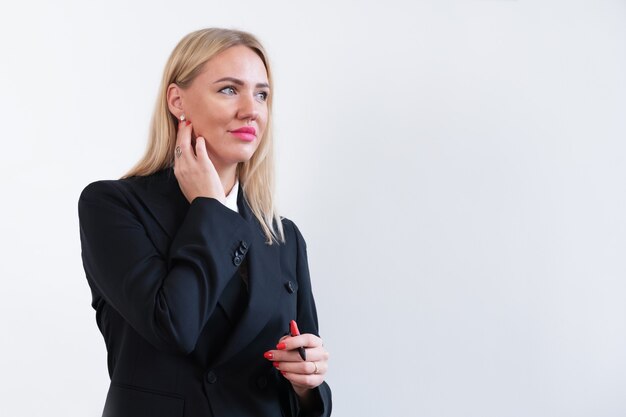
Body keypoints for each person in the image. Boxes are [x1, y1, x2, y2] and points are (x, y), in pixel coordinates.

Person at [78, 28, 331, 417]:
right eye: (230, 89)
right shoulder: (113, 206)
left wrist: (306, 383)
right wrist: (210, 207)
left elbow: (307, 390)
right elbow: (173, 327)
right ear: (177, 101)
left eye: (262, 94)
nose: (252, 109)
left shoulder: (283, 236)